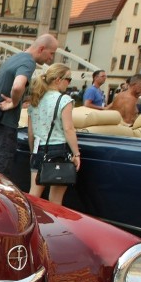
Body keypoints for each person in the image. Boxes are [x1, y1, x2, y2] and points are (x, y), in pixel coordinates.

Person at [0, 33, 59, 176]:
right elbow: (17, 86)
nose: (51, 58)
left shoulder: (15, 58)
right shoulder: (28, 62)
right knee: (0, 177)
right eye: (51, 53)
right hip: (4, 126)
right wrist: (14, 102)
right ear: (41, 49)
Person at [26, 64, 81, 206]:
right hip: (59, 150)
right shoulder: (64, 100)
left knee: (34, 195)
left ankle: (29, 223)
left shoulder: (35, 101)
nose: (69, 83)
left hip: (38, 149)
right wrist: (76, 153)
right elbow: (68, 129)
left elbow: (31, 132)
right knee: (55, 201)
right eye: (68, 79)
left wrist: (33, 151)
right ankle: (53, 227)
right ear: (58, 79)